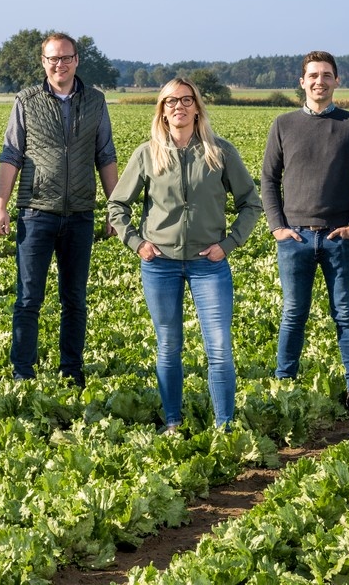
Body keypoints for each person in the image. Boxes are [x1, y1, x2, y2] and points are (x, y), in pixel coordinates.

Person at [108, 78, 260, 431]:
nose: (179, 106)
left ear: (197, 107)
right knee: (169, 346)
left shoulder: (219, 151)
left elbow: (250, 203)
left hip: (209, 264)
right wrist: (137, 243)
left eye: (186, 100)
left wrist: (229, 244)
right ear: (161, 110)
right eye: (171, 101)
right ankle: (173, 421)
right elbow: (118, 206)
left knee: (219, 348)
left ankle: (225, 426)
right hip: (159, 265)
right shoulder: (147, 154)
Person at [0, 32, 118, 387]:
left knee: (75, 298)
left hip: (80, 213)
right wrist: (0, 206)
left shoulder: (95, 100)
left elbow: (105, 155)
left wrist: (115, 207)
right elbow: (11, 154)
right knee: (28, 297)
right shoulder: (26, 100)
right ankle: (22, 371)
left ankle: (72, 370)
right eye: (53, 58)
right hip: (36, 212)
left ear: (77, 60)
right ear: (43, 62)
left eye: (66, 58)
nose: (59, 64)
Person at [261, 51, 349, 418]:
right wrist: (277, 227)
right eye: (313, 75)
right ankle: (285, 385)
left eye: (327, 75)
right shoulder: (283, 124)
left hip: (337, 238)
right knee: (293, 314)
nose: (319, 81)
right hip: (294, 238)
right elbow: (268, 179)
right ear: (302, 81)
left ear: (336, 82)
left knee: (345, 313)